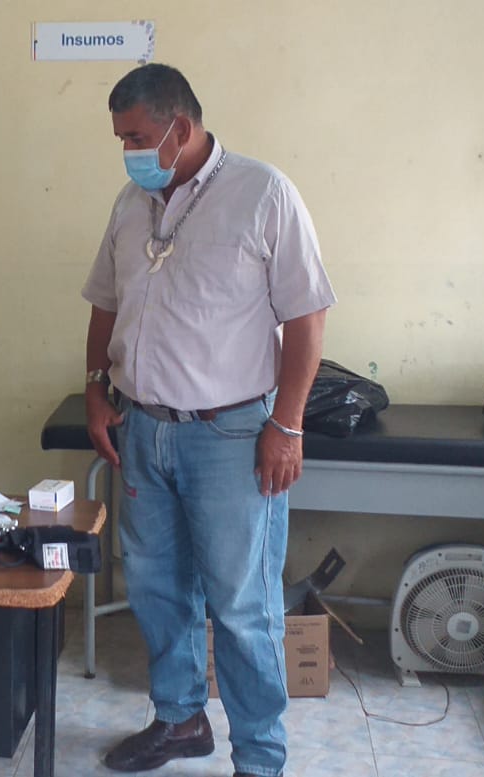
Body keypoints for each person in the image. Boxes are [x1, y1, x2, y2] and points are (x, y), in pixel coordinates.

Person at [80, 64, 335, 777]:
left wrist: (287, 425)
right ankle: (180, 718)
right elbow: (105, 302)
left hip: (232, 435)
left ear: (180, 128)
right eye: (121, 139)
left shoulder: (264, 193)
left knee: (242, 605)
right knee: (157, 589)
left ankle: (260, 758)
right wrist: (97, 387)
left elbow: (308, 318)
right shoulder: (132, 201)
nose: (127, 151)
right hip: (143, 427)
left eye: (136, 137)